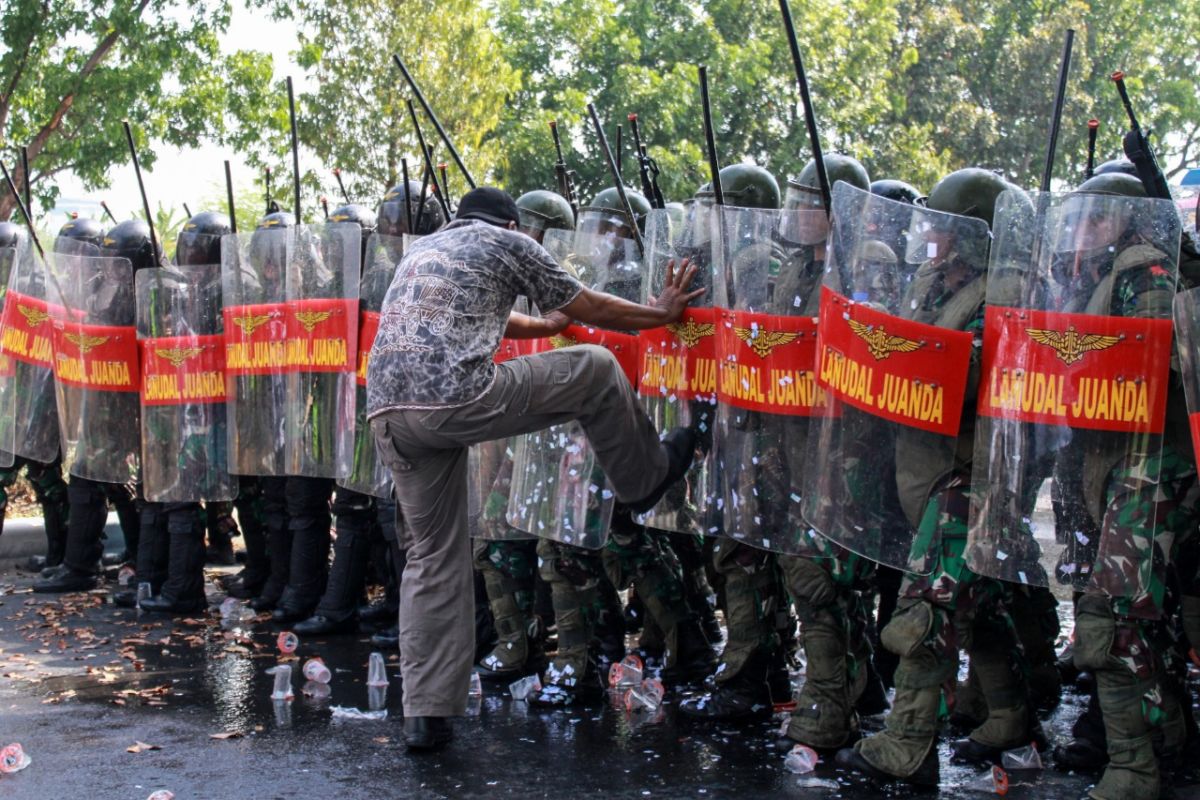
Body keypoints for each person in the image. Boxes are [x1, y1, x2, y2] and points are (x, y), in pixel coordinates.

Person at [367, 186, 701, 750]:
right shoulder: (507, 241)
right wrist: (661, 314)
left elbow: (488, 316)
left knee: (430, 558)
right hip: (455, 400)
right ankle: (645, 479)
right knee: (595, 367)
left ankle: (425, 715)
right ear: (516, 223)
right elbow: (587, 306)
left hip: (389, 414)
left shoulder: (423, 252)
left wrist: (543, 328)